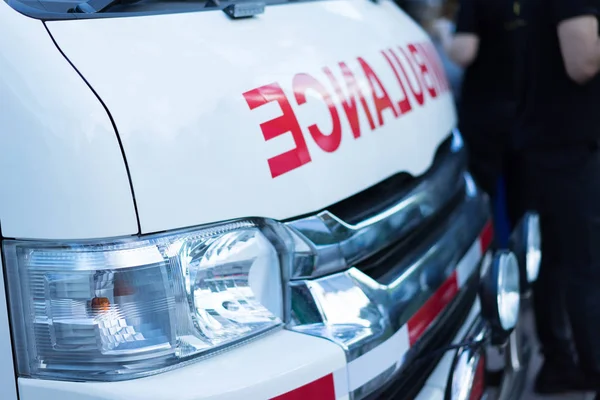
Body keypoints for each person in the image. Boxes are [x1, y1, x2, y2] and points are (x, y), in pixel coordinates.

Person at [517, 0, 600, 394]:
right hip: (569, 145)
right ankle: (583, 366)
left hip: (558, 142)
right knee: (585, 267)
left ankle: (564, 363)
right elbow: (582, 61)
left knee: (563, 262)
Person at [432, 0, 527, 242]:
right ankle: (523, 261)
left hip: (486, 113)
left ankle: (494, 259)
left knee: (483, 195)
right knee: (522, 198)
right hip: (525, 109)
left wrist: (444, 33)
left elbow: (464, 52)